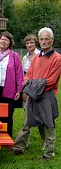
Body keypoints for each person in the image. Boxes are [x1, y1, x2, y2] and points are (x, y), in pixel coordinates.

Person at [11, 27, 61, 161]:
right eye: (42, 39)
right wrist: (30, 85)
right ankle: (18, 148)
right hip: (33, 95)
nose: (44, 41)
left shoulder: (57, 58)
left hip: (46, 95)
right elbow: (28, 76)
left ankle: (49, 154)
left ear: (52, 40)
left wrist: (32, 85)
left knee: (48, 124)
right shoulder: (37, 58)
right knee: (27, 122)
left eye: (46, 39)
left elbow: (50, 81)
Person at [0, 31, 23, 138]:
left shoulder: (14, 56)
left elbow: (19, 74)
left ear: (10, 43)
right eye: (2, 39)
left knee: (8, 114)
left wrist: (19, 90)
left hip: (9, 90)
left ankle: (7, 137)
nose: (4, 41)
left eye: (6, 40)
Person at [21, 34, 45, 148]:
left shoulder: (41, 55)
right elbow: (23, 74)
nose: (29, 45)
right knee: (27, 115)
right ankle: (25, 140)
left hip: (38, 87)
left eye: (31, 43)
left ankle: (44, 140)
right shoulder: (25, 57)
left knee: (40, 115)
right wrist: (24, 91)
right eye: (27, 43)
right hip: (28, 87)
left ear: (36, 43)